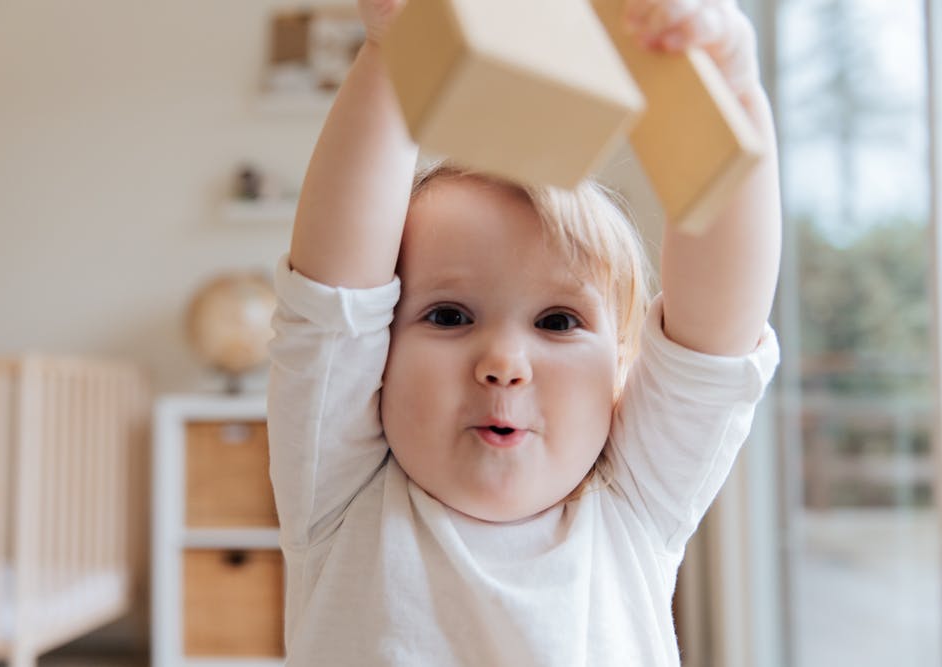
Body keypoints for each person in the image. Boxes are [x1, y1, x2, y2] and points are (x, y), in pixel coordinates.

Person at [267, 0, 781, 663]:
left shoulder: (634, 500)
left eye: (558, 322)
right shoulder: (341, 488)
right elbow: (333, 300)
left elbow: (717, 334)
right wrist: (398, 50)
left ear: (620, 370)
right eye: (449, 315)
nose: (504, 362)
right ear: (378, 357)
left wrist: (733, 91)